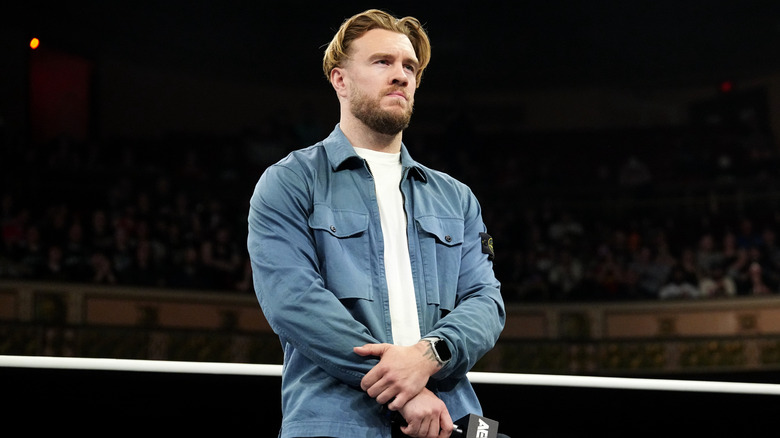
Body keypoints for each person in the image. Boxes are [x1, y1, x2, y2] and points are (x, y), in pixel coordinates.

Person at [247, 9, 505, 438]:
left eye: (409, 66)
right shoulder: (290, 180)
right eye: (382, 62)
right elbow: (293, 300)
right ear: (340, 80)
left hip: (450, 415)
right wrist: (404, 388)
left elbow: (486, 300)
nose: (401, 75)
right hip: (335, 419)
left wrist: (430, 354)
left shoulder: (457, 197)